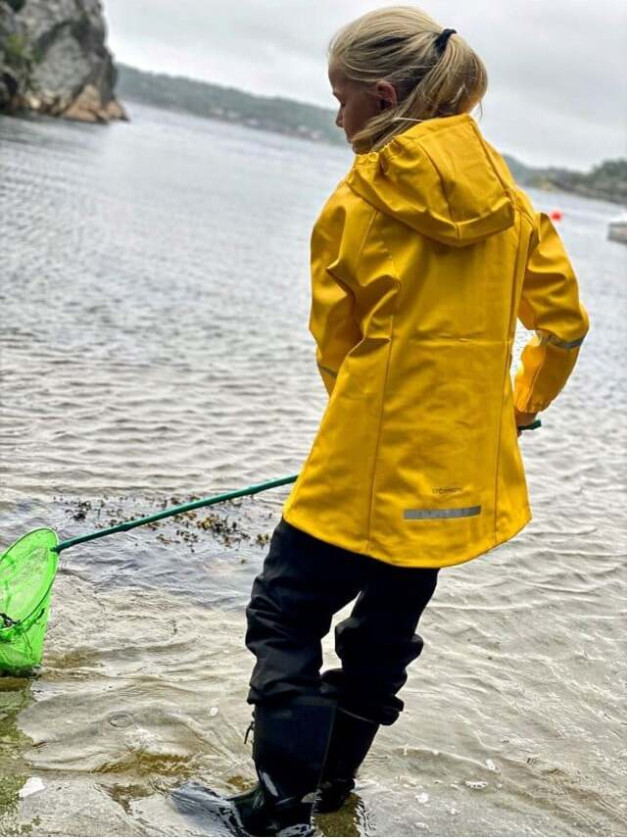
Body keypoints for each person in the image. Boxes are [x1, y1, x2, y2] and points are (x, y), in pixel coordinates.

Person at [173, 6, 589, 836]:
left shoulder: (358, 198)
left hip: (367, 461)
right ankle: (330, 793)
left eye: (340, 98)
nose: (336, 118)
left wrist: (358, 425)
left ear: (385, 95)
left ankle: (277, 805)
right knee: (382, 636)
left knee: (284, 616)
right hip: (457, 476)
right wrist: (514, 407)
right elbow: (563, 324)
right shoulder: (510, 200)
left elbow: (337, 342)